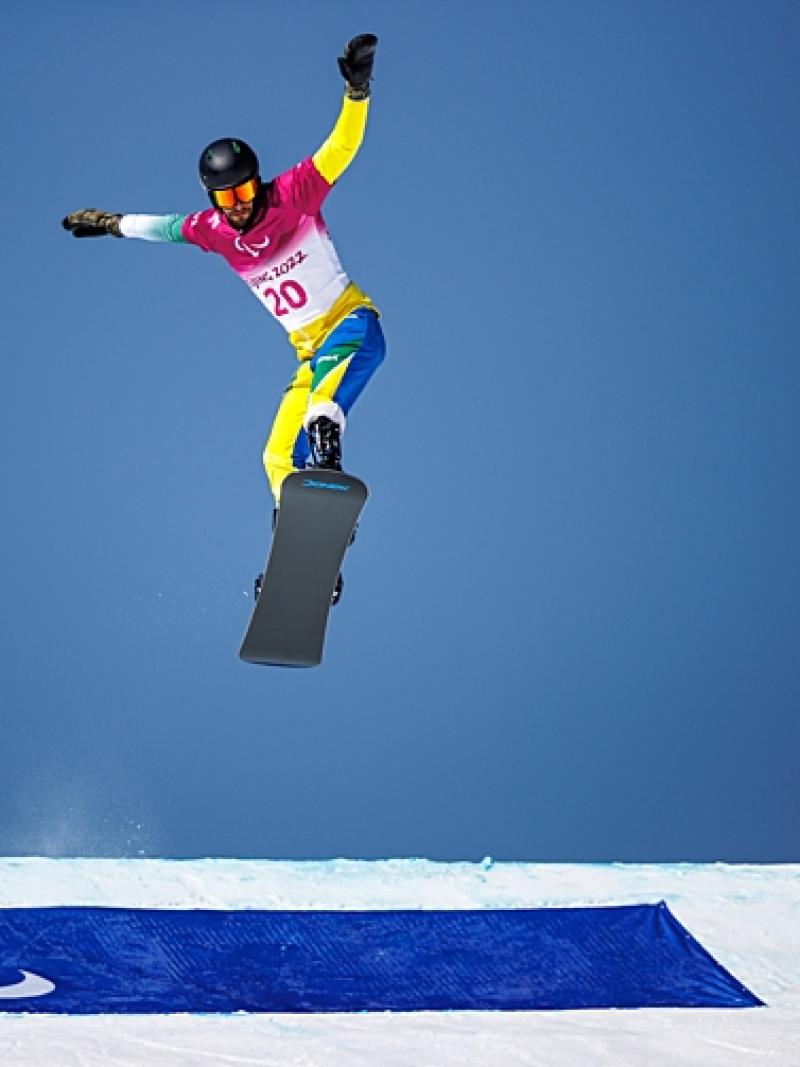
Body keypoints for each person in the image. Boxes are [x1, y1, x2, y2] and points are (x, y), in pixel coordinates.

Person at [62, 33, 385, 517]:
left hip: (350, 326)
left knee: (321, 411)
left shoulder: (293, 195)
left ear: (258, 182)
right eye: (227, 198)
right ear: (213, 200)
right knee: (276, 456)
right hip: (310, 354)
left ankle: (328, 475)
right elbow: (167, 227)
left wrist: (356, 92)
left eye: (246, 191)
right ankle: (302, 532)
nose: (240, 205)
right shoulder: (214, 231)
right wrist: (114, 224)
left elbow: (342, 146)